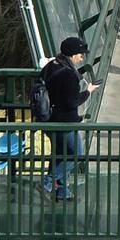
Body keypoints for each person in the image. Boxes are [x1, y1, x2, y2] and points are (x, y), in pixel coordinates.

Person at [40, 36, 99, 201]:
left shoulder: (52, 65)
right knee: (76, 155)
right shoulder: (69, 75)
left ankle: (62, 193)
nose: (82, 57)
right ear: (73, 54)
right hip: (65, 122)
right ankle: (47, 183)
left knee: (60, 155)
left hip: (48, 119)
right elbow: (72, 102)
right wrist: (88, 91)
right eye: (80, 54)